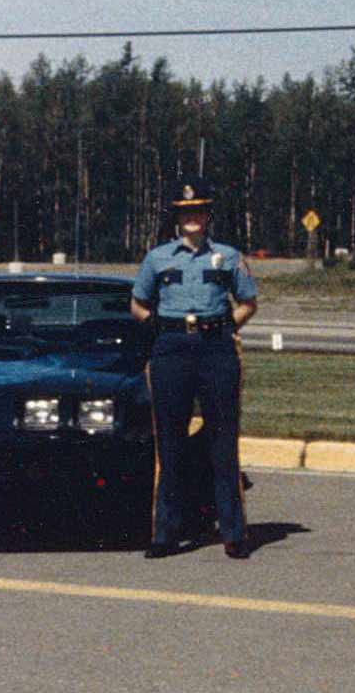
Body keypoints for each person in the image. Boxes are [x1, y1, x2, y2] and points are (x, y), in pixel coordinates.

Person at [130, 177, 261, 559]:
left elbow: (249, 302)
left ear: (207, 216)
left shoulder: (229, 257)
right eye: (186, 212)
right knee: (169, 444)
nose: (193, 218)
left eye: (199, 211)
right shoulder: (157, 258)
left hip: (216, 350)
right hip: (171, 350)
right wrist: (160, 329)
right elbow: (137, 305)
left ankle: (234, 533)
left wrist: (226, 327)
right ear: (177, 217)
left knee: (223, 442)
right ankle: (165, 534)